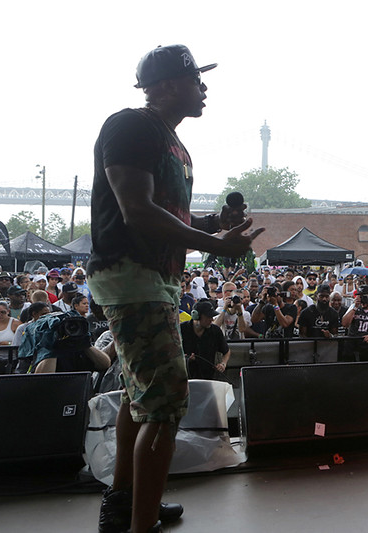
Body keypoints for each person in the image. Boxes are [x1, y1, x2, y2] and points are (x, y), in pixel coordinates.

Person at [89, 44, 263, 533]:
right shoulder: (131, 126)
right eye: (195, 79)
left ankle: (125, 502)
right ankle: (139, 525)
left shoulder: (170, 141)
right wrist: (213, 243)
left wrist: (212, 222)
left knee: (137, 396)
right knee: (166, 402)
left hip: (152, 278)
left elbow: (165, 212)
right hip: (133, 276)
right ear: (166, 85)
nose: (205, 89)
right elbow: (136, 210)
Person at [181, 300, 230, 380]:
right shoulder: (182, 329)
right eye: (208, 317)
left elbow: (226, 351)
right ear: (196, 316)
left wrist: (223, 363)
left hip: (208, 378)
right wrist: (183, 359)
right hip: (185, 378)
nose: (211, 319)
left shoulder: (215, 331)